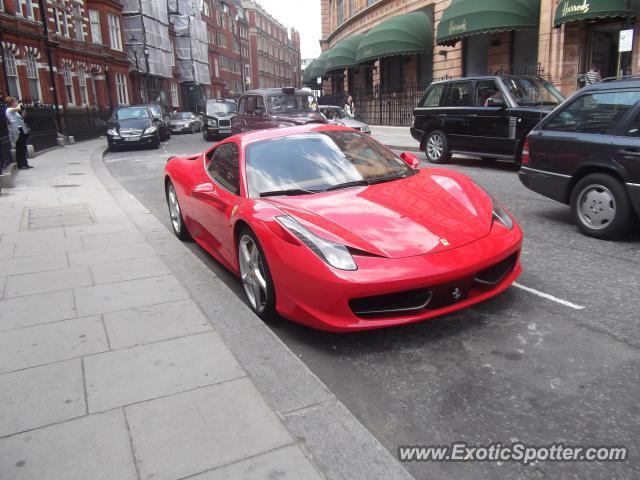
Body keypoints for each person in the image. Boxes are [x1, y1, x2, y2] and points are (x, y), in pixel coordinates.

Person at [5, 96, 32, 169]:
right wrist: (20, 104)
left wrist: (23, 110)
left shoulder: (15, 111)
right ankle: (21, 164)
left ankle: (25, 163)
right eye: (15, 101)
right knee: (19, 148)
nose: (16, 102)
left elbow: (22, 117)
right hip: (17, 130)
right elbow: (19, 108)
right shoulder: (9, 109)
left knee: (23, 147)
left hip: (21, 129)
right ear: (12, 102)